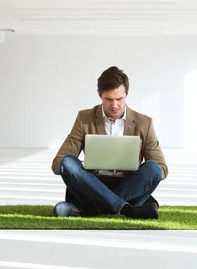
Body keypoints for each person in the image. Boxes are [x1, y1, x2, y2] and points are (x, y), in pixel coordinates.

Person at [51, 66, 168, 219]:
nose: (114, 105)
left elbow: (162, 169)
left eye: (119, 99)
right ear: (99, 94)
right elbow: (58, 164)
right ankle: (126, 209)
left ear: (127, 94)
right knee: (67, 162)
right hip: (92, 185)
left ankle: (90, 210)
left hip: (128, 186)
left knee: (153, 168)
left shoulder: (144, 123)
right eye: (109, 99)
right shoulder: (84, 118)